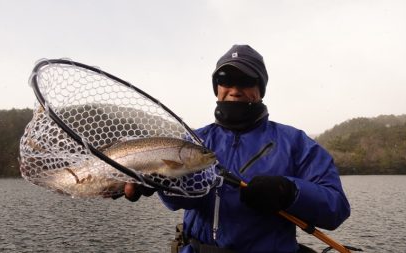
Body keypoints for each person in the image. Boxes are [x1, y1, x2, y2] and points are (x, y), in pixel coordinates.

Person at [124, 44, 350, 253]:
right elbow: (180, 202)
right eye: (226, 79)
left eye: (246, 80)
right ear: (217, 88)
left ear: (260, 88)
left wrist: (289, 191)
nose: (234, 89)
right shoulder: (194, 140)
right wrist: (161, 186)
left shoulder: (296, 143)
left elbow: (336, 208)